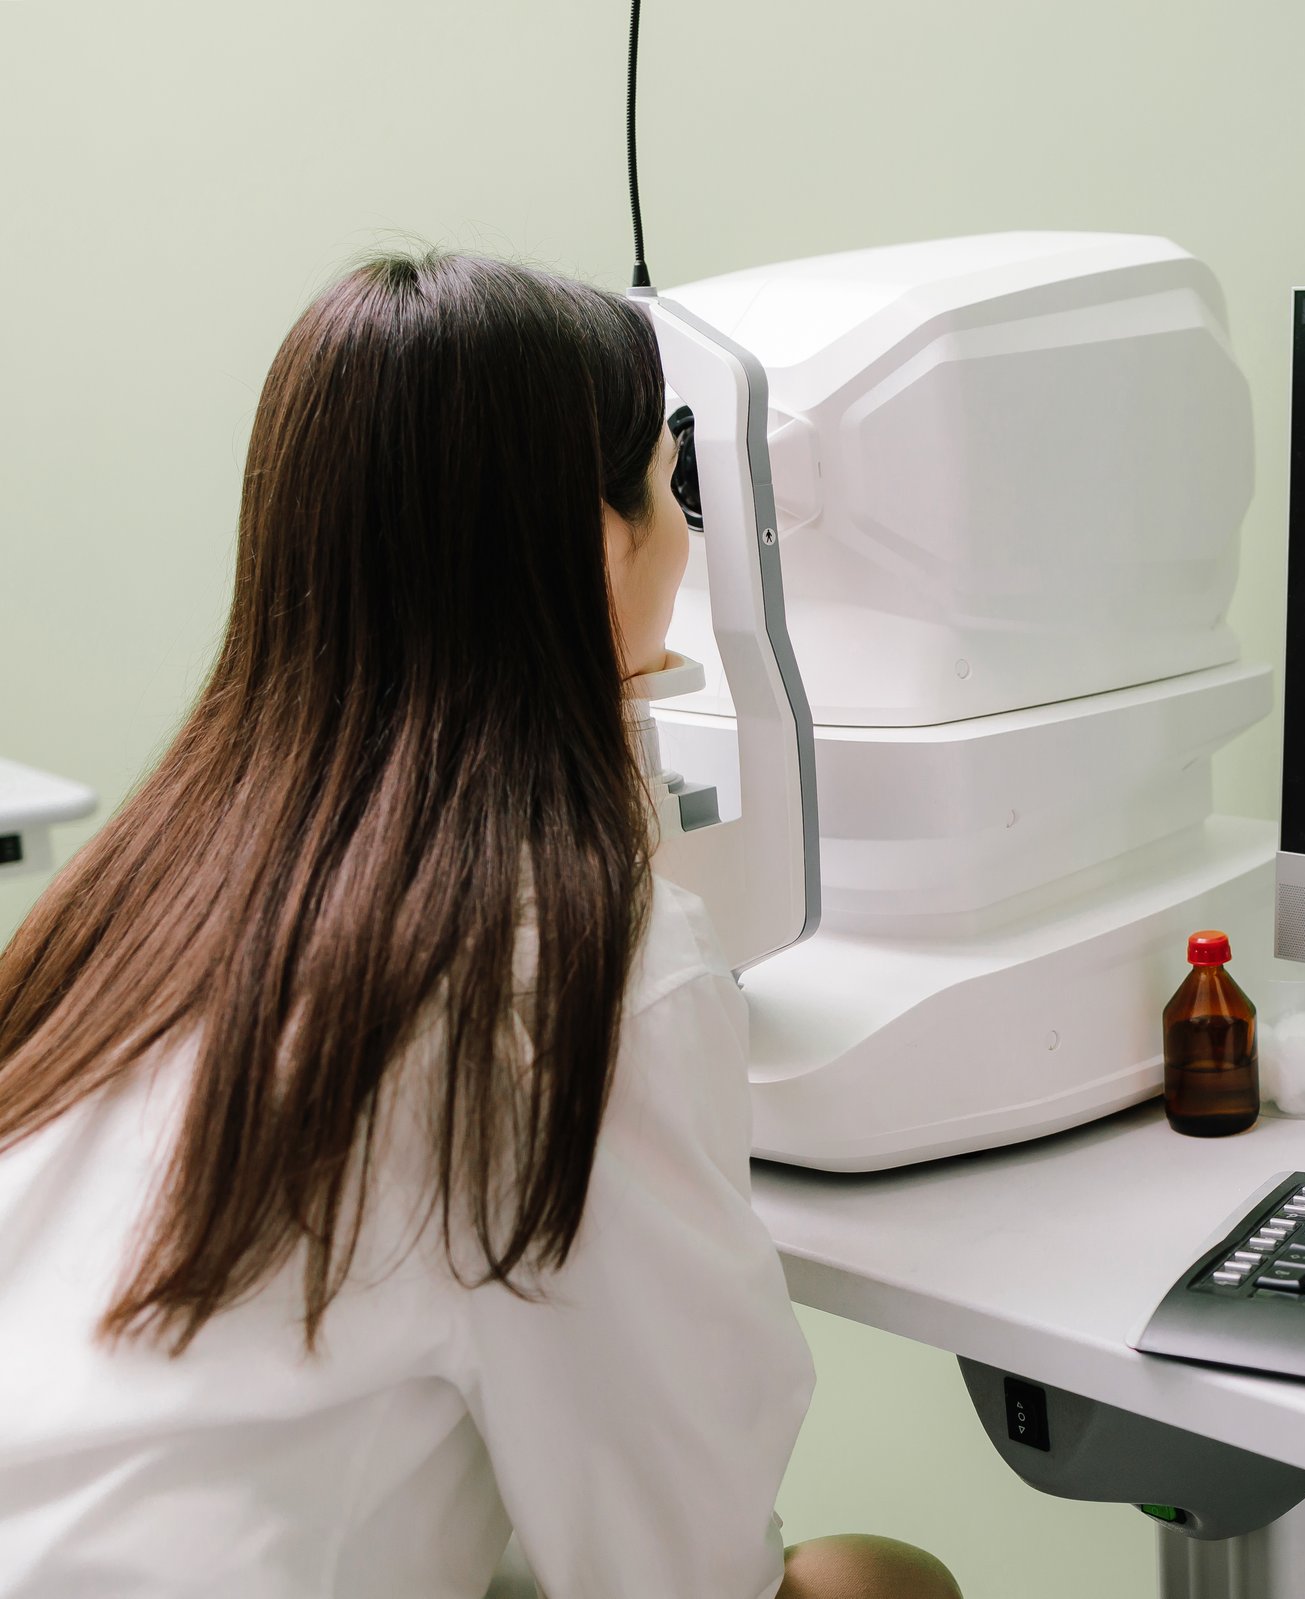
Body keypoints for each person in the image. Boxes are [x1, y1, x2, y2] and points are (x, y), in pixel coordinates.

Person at [0, 251, 960, 1599]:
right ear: (596, 537)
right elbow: (677, 1570)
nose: (688, 528)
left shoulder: (139, 891)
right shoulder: (579, 971)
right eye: (666, 483)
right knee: (875, 1581)